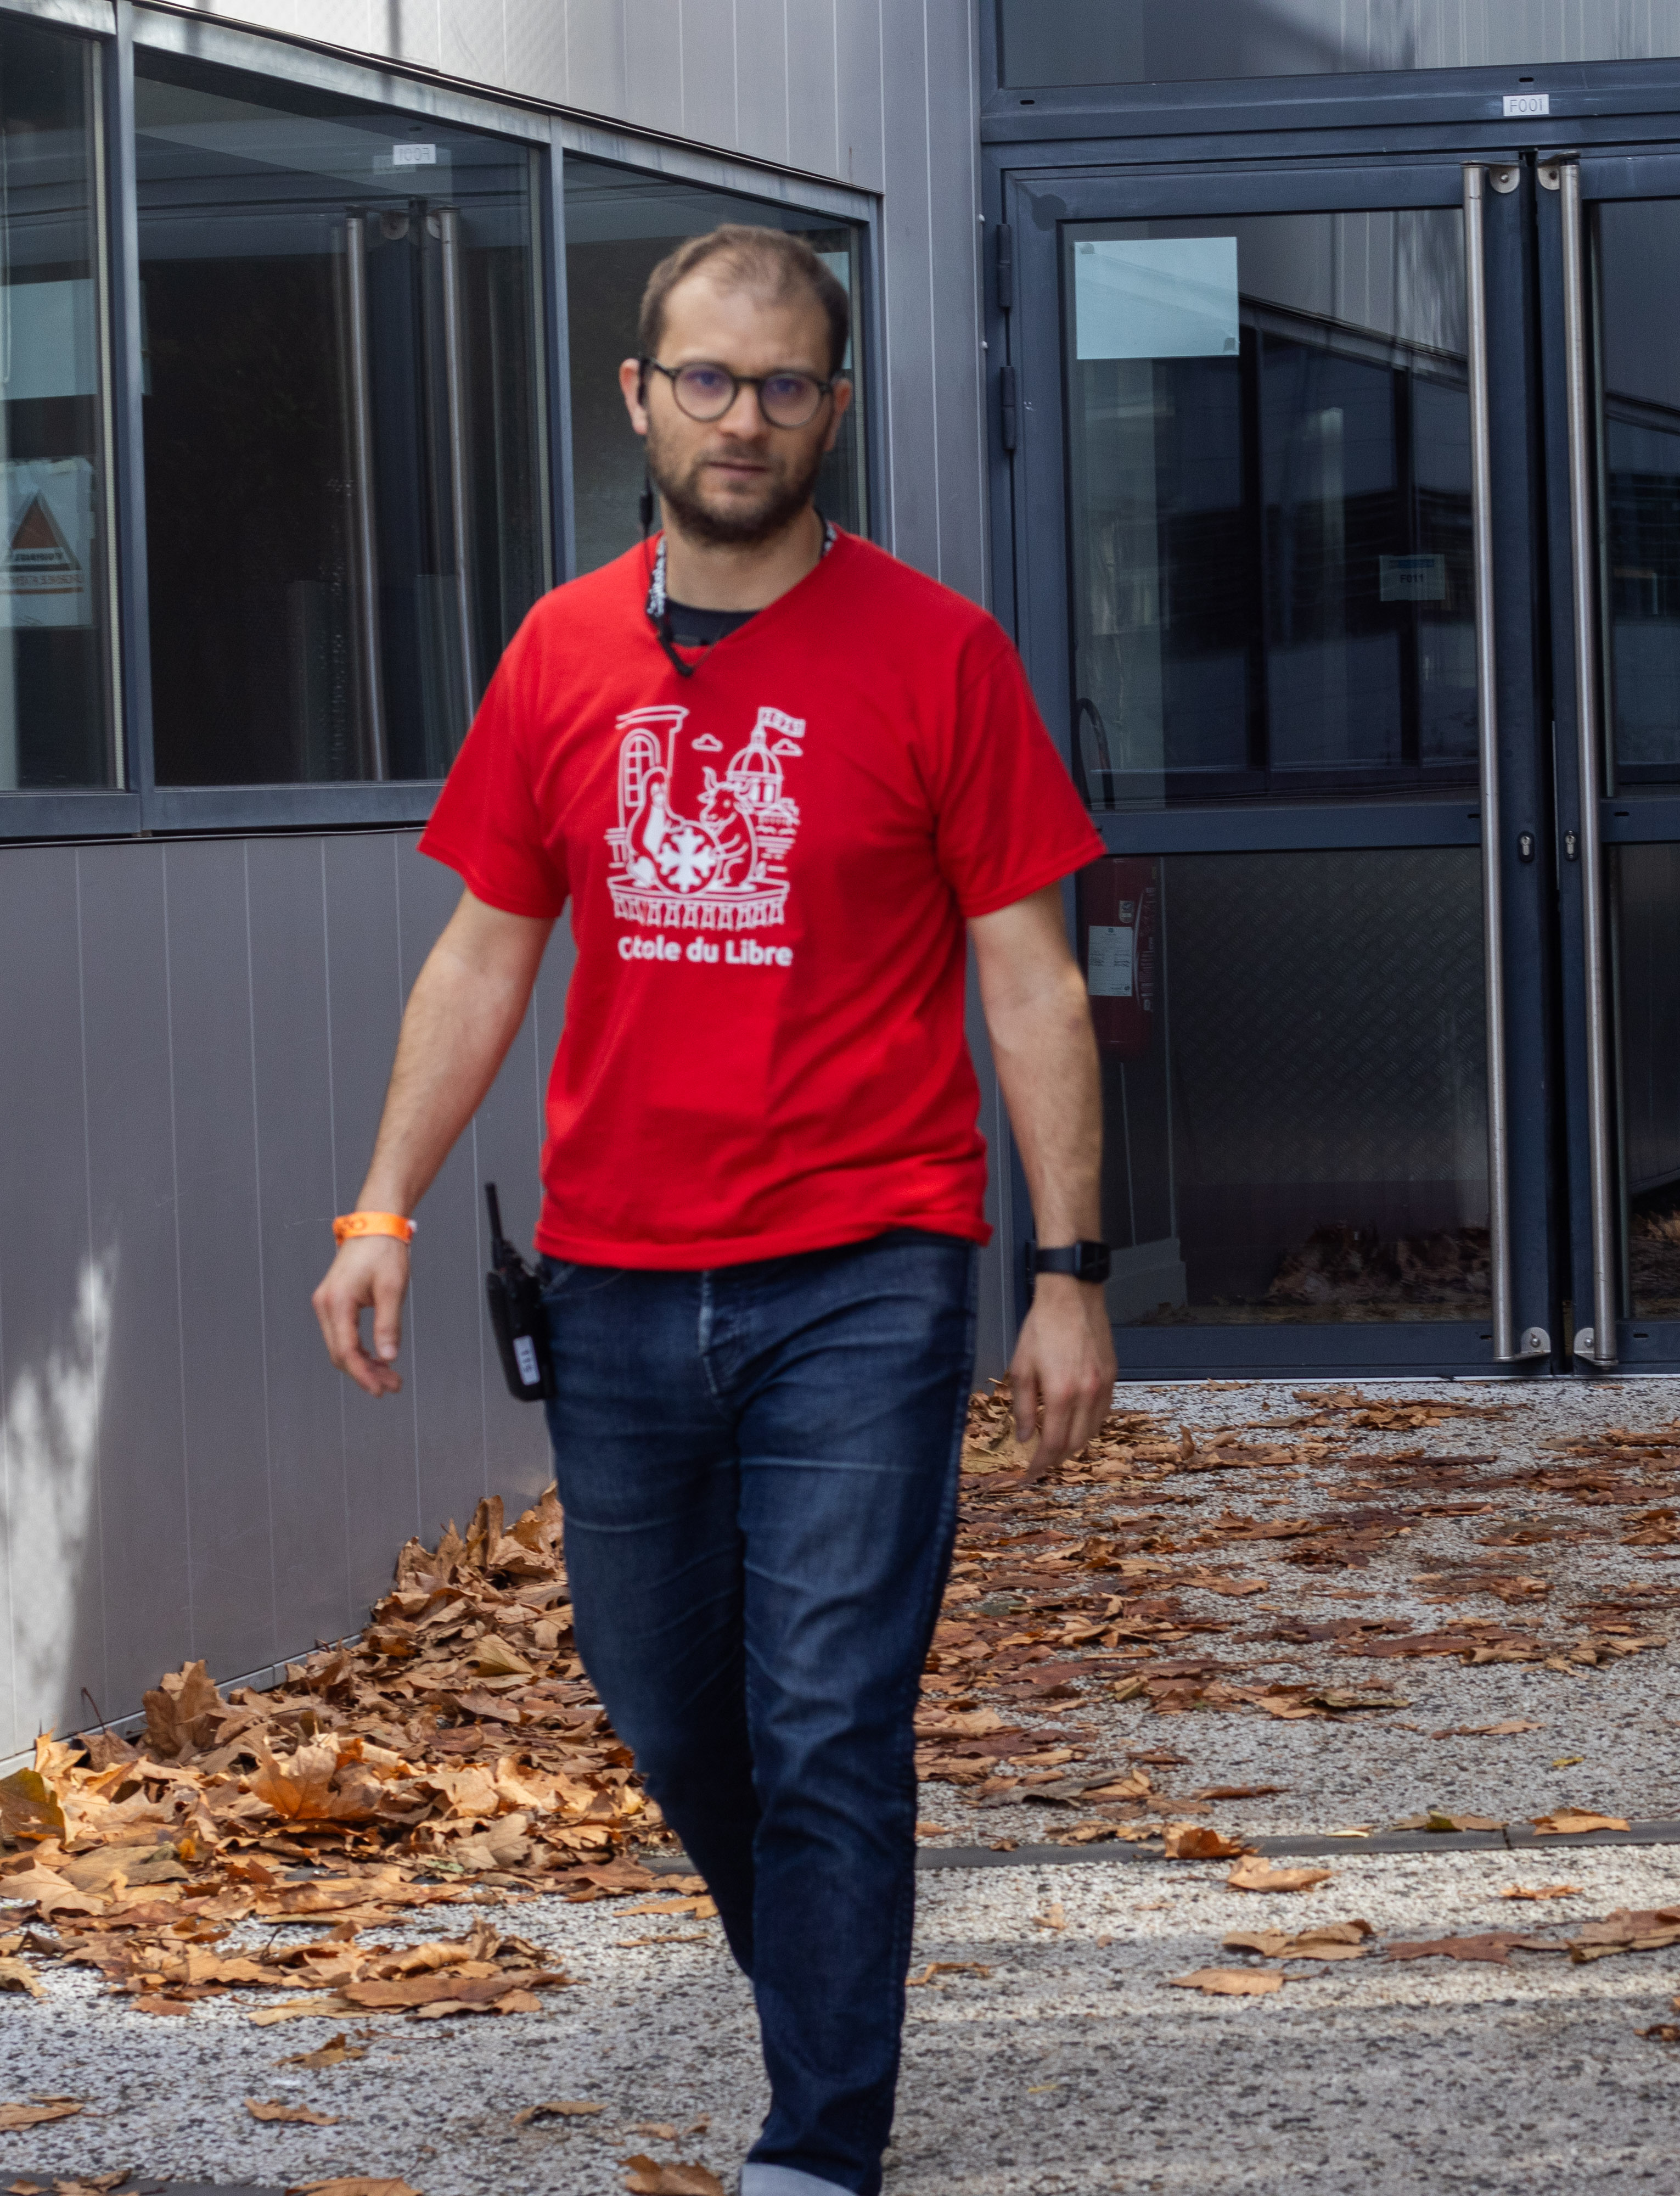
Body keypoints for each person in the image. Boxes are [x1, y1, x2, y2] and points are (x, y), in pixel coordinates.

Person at [308, 226, 1116, 2196]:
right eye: (705, 378)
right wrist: (380, 1207)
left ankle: (819, 2131)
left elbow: (1031, 981)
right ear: (639, 396)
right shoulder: (558, 652)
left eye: (781, 383)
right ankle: (824, 1983)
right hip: (612, 1278)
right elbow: (485, 952)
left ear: (834, 407)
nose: (741, 417)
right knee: (672, 1708)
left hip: (866, 1268)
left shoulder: (940, 653)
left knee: (826, 1709)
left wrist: (1068, 1270)